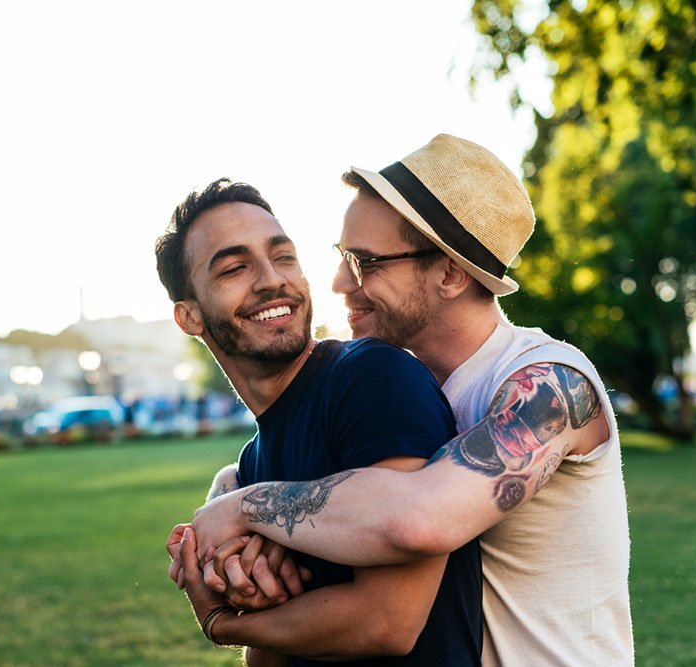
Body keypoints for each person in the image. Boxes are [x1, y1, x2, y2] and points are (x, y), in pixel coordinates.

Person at [189, 135, 635, 666]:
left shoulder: (549, 384)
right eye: (341, 258)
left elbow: (419, 520)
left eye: (366, 262)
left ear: (449, 273)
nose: (337, 284)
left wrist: (243, 507)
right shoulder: (398, 391)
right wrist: (236, 486)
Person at [156, 178, 482, 665]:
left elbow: (388, 621)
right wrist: (246, 592)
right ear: (189, 316)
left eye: (283, 256)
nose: (272, 280)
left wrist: (224, 624)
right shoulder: (253, 463)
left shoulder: (373, 378)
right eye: (234, 268)